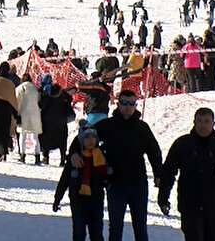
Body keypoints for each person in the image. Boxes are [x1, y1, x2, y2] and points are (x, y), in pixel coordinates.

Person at [69, 89, 162, 241]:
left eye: (131, 103)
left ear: (135, 105)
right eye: (124, 103)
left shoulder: (142, 128)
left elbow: (154, 152)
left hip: (138, 184)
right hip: (115, 184)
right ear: (118, 104)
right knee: (116, 228)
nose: (127, 107)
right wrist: (74, 153)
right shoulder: (107, 126)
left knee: (140, 227)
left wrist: (158, 174)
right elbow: (82, 138)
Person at [158, 108, 215, 241]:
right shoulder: (182, 144)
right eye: (200, 121)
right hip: (189, 204)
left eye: (207, 121)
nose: (203, 125)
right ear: (194, 122)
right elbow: (168, 172)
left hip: (214, 205)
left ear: (213, 123)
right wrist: (163, 198)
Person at [54, 120, 108, 241]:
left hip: (96, 200)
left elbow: (107, 176)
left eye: (93, 137)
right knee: (79, 232)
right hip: (78, 200)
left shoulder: (101, 156)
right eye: (87, 138)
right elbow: (65, 179)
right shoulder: (76, 158)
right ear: (81, 140)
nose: (90, 141)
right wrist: (58, 198)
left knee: (97, 233)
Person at [15, 74, 43, 164]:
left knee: (22, 136)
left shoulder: (20, 88)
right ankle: (37, 155)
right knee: (35, 137)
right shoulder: (35, 89)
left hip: (23, 114)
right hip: (35, 114)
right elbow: (38, 100)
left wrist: (17, 113)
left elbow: (17, 101)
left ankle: (22, 155)